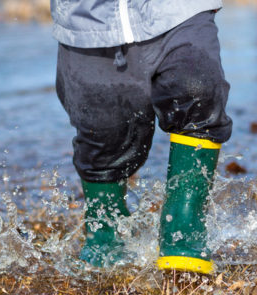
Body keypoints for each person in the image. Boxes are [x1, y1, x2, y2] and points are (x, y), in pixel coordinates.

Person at [52, 0, 233, 276]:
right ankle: (105, 230)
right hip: (89, 22)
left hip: (178, 10)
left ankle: (184, 224)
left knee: (200, 90)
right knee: (103, 132)